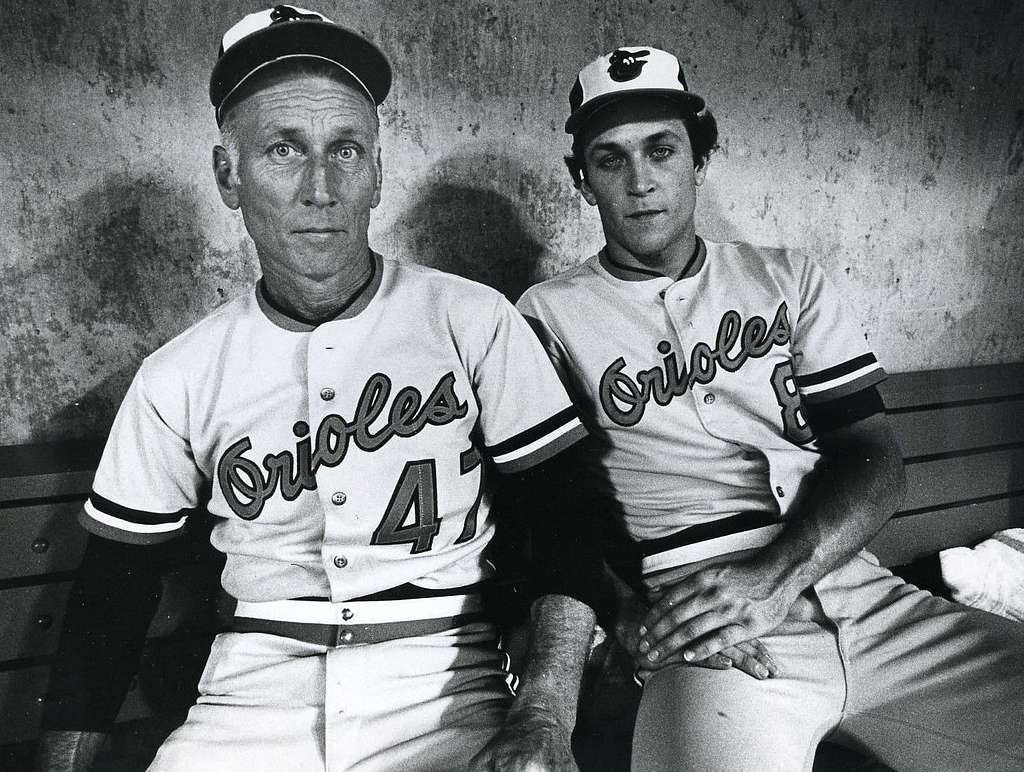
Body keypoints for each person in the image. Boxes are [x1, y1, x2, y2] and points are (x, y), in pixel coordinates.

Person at [35, 6, 602, 771]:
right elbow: (112, 594)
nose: (321, 187)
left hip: (445, 681)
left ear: (378, 171)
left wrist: (545, 715)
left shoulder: (471, 320)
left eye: (345, 149)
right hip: (250, 693)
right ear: (227, 176)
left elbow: (569, 525)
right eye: (282, 150)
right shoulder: (179, 373)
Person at [516, 44, 1024, 771]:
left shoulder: (786, 276)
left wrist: (778, 577)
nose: (640, 182)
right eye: (609, 159)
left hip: (860, 589)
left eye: (661, 150)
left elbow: (873, 455)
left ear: (700, 156)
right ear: (581, 181)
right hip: (705, 623)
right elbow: (549, 513)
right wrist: (632, 619)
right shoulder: (545, 314)